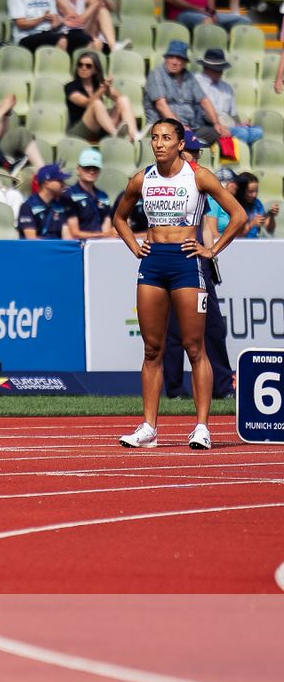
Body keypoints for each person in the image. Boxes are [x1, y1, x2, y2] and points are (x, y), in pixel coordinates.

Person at [113, 118, 246, 451]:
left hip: (187, 262)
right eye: (155, 138)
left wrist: (211, 249)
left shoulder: (197, 176)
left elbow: (238, 215)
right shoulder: (142, 178)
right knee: (152, 349)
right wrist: (134, 245)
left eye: (166, 138)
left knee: (194, 347)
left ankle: (201, 427)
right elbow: (119, 217)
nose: (159, 143)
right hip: (153, 262)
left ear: (179, 144)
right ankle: (148, 428)